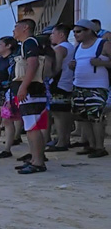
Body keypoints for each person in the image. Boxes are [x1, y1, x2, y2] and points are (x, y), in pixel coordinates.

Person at [12, 18, 50, 174]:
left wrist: (23, 86)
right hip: (31, 90)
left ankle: (38, 162)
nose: (13, 30)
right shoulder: (28, 43)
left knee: (33, 127)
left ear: (25, 28)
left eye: (16, 27)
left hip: (32, 90)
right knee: (30, 128)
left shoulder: (29, 43)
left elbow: (32, 64)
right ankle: (35, 160)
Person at [69, 19, 111, 158]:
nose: (75, 34)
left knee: (96, 117)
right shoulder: (78, 47)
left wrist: (101, 63)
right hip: (79, 85)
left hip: (97, 86)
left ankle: (99, 147)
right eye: (74, 32)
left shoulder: (103, 44)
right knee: (83, 117)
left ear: (89, 31)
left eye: (78, 31)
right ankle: (91, 145)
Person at [47, 24, 75, 152]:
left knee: (58, 114)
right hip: (68, 83)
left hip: (59, 83)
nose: (51, 36)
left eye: (53, 33)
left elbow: (56, 69)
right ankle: (65, 139)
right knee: (65, 113)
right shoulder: (71, 47)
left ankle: (61, 142)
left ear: (61, 35)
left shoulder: (60, 48)